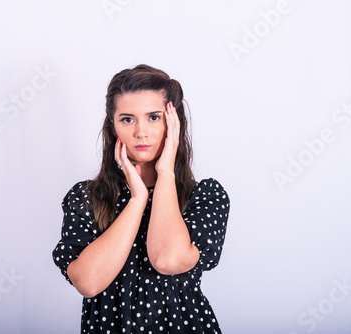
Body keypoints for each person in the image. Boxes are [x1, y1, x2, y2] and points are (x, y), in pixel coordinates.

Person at [53, 64, 230, 333]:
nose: (141, 132)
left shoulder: (205, 196)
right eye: (127, 119)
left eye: (154, 117)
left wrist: (166, 173)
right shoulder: (86, 197)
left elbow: (168, 261)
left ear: (174, 123)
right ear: (112, 127)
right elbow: (88, 283)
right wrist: (137, 199)